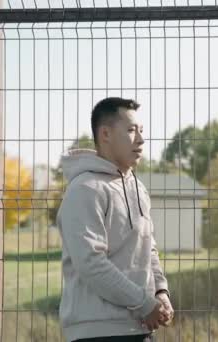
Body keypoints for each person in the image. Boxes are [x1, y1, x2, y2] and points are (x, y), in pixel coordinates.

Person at [56, 97, 174, 342]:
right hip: (98, 332)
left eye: (141, 131)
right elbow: (91, 263)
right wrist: (143, 303)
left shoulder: (137, 187)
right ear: (106, 134)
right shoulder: (85, 189)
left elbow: (148, 249)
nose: (141, 139)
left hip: (138, 326)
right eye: (131, 130)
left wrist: (160, 292)